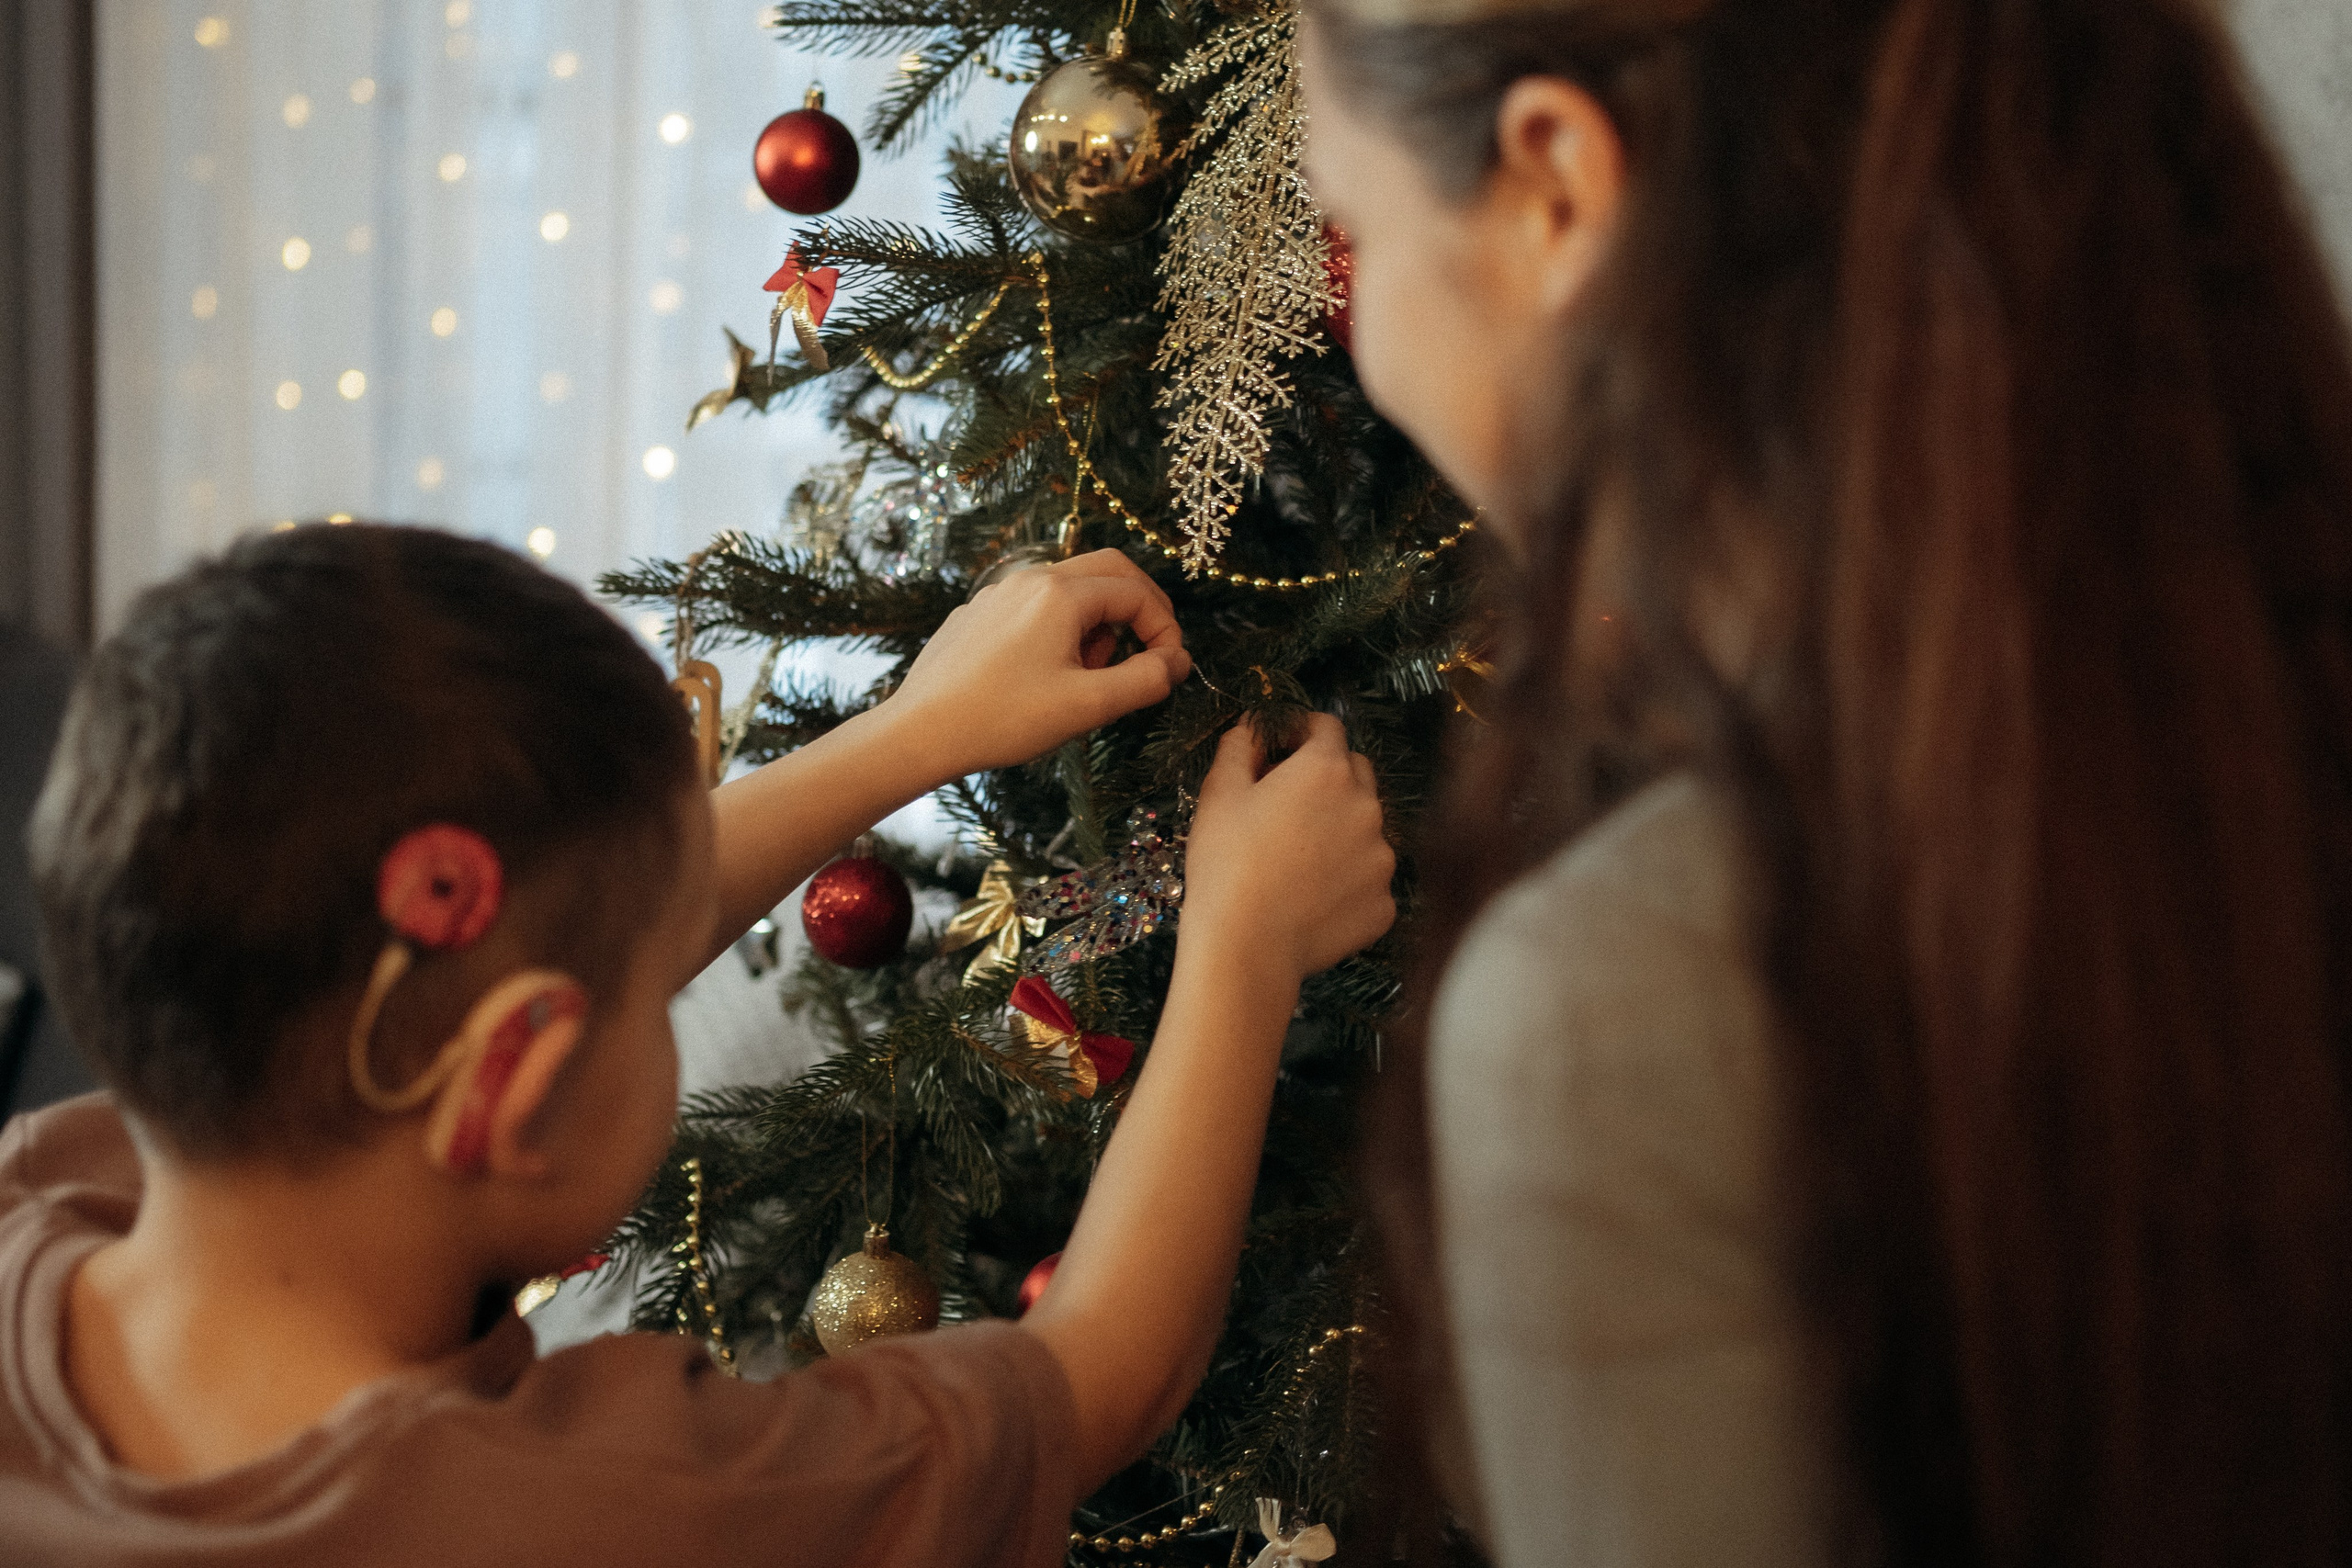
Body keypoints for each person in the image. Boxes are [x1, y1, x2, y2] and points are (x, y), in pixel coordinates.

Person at [1298, 0, 2352, 1563]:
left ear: (1554, 191)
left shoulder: (1619, 1002)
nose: (1363, 329)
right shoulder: (2252, 705)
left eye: (1347, 242)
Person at [0, 524, 1396, 1564]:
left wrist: (912, 731)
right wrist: (1243, 948)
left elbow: (514, 971)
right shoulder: (617, 1511)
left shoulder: (71, 1182)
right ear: (519, 1082)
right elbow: (1096, 1378)